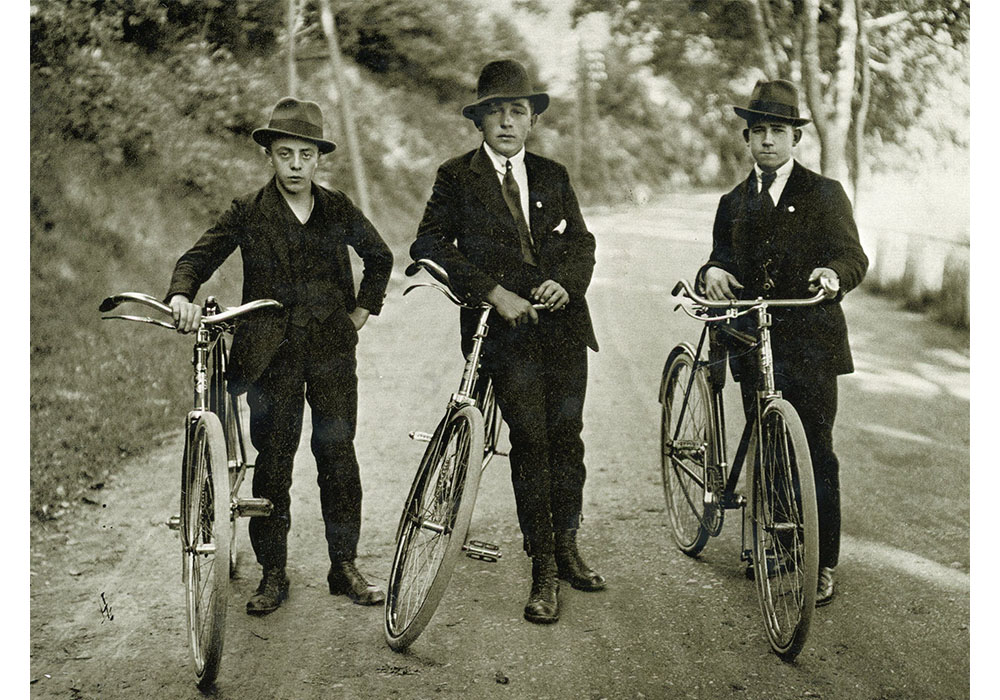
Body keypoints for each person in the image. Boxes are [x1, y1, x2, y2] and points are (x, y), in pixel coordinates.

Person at [166, 97, 393, 614]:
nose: (295, 165)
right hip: (272, 356)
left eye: (305, 155)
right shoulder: (248, 211)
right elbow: (198, 256)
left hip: (332, 352)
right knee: (275, 461)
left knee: (338, 454)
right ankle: (273, 573)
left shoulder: (337, 208)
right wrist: (181, 293)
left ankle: (345, 566)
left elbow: (379, 256)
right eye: (285, 153)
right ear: (269, 154)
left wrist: (361, 311)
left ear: (318, 159)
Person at [411, 59, 605, 625]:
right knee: (532, 438)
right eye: (495, 112)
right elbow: (428, 243)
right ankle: (541, 564)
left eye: (517, 112)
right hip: (502, 332)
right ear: (479, 122)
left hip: (562, 325)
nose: (506, 123)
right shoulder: (456, 177)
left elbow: (582, 244)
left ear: (531, 121)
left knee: (568, 436)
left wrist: (563, 284)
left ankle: (566, 542)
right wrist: (493, 291)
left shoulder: (553, 175)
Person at [699, 79, 869, 606]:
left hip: (811, 339)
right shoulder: (733, 202)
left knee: (816, 448)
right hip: (755, 337)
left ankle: (821, 560)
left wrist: (832, 274)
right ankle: (779, 539)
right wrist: (712, 274)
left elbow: (853, 257)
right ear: (747, 140)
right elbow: (719, 257)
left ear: (796, 138)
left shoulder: (824, 194)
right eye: (758, 132)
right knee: (769, 440)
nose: (768, 141)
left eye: (778, 131)